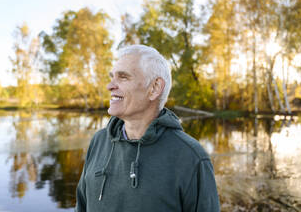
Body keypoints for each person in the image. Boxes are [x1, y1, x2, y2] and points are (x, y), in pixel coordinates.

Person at [75, 45, 220, 212]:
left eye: (123, 77)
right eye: (112, 77)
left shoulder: (191, 157)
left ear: (154, 88)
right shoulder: (99, 141)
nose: (110, 86)